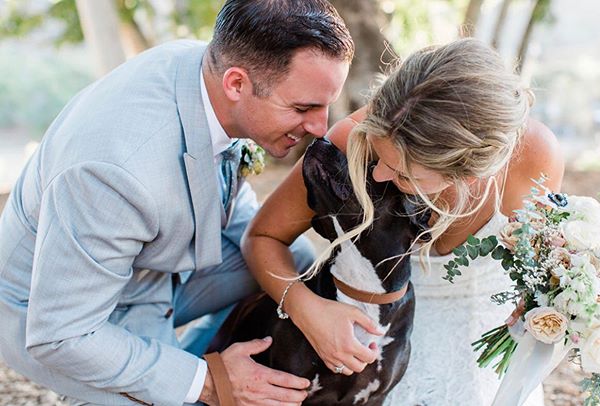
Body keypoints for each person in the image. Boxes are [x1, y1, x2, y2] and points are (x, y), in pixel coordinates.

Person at [0, 1, 354, 405]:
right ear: (236, 84)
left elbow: (233, 208)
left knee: (291, 255)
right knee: (180, 388)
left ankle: (191, 365)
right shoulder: (114, 171)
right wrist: (210, 380)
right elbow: (61, 333)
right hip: (61, 315)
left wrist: (306, 305)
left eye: (325, 105)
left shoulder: (210, 72)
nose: (319, 127)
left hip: (150, 271)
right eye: (303, 108)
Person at [242, 38, 564, 405]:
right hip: (373, 343)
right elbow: (263, 237)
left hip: (484, 347)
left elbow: (543, 274)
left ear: (468, 173)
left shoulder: (535, 158)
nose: (377, 175)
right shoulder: (357, 138)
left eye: (403, 175)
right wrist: (306, 309)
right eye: (379, 157)